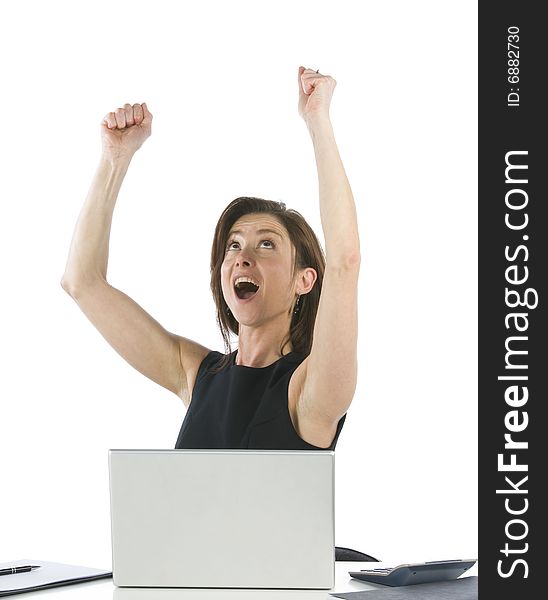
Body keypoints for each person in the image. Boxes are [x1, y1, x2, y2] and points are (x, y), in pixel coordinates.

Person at [61, 66, 360, 451]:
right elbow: (81, 281)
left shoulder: (311, 392)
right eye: (233, 245)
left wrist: (317, 119)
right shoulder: (196, 374)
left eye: (266, 244)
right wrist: (115, 159)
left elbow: (345, 261)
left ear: (305, 279)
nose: (242, 257)